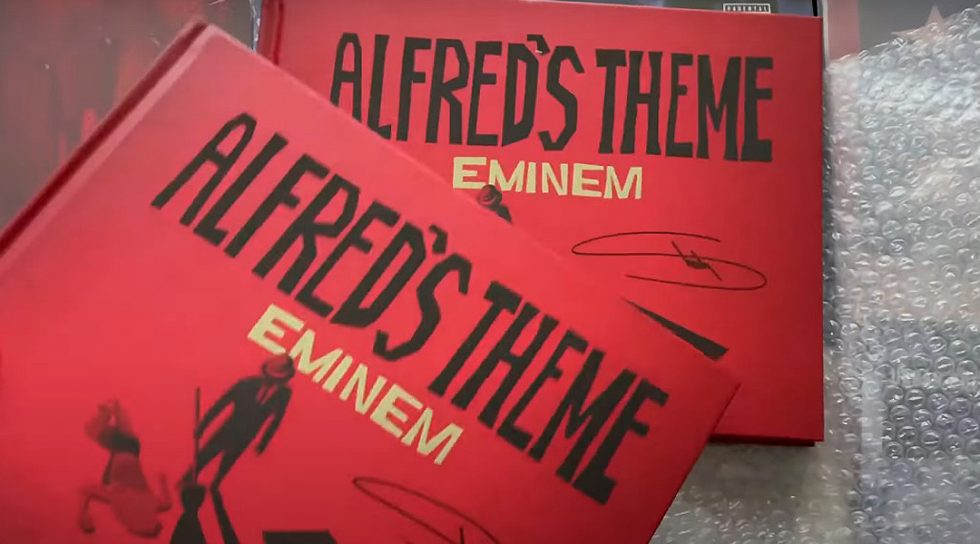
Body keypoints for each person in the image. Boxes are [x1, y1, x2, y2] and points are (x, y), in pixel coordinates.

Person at [180, 355, 295, 492]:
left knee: (228, 462)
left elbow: (276, 420)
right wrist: (203, 425)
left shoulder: (284, 394)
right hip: (228, 429)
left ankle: (215, 484)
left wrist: (263, 443)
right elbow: (220, 405)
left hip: (246, 436)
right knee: (205, 455)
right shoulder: (245, 384)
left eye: (278, 378)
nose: (273, 380)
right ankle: (186, 479)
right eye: (271, 376)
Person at [79, 399, 172, 538]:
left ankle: (114, 410)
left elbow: (167, 504)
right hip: (124, 457)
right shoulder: (124, 504)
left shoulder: (148, 505)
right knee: (95, 429)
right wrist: (84, 516)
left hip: (130, 453)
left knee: (111, 433)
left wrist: (162, 481)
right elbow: (88, 490)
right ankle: (112, 410)